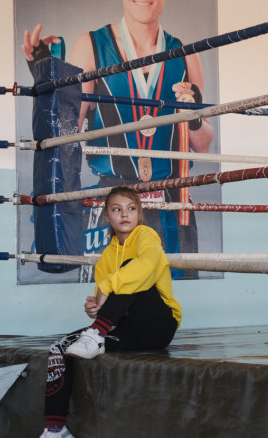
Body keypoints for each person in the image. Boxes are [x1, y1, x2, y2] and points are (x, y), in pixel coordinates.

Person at [22, 0, 214, 279]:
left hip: (171, 201)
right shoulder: (91, 46)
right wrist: (48, 77)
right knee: (110, 297)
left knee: (171, 299)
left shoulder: (186, 55)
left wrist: (194, 115)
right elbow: (68, 129)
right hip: (112, 198)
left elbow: (204, 144)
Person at [39, 186, 182, 438]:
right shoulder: (106, 256)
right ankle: (55, 428)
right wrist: (96, 308)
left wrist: (106, 288)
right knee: (59, 347)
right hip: (129, 331)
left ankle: (96, 335)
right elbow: (109, 301)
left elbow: (146, 266)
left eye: (131, 208)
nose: (125, 214)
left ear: (139, 213)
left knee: (131, 268)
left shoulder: (146, 236)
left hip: (159, 325)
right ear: (107, 216)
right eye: (117, 209)